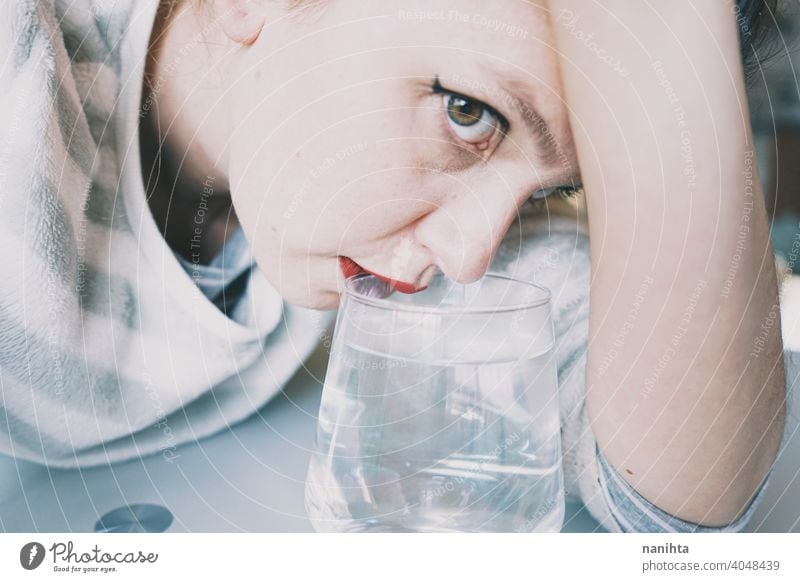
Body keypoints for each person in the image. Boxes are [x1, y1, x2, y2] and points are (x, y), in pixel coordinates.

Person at [0, 0, 789, 532]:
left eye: (561, 184)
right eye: (467, 111)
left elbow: (676, 512)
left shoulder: (440, 231)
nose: (472, 255)